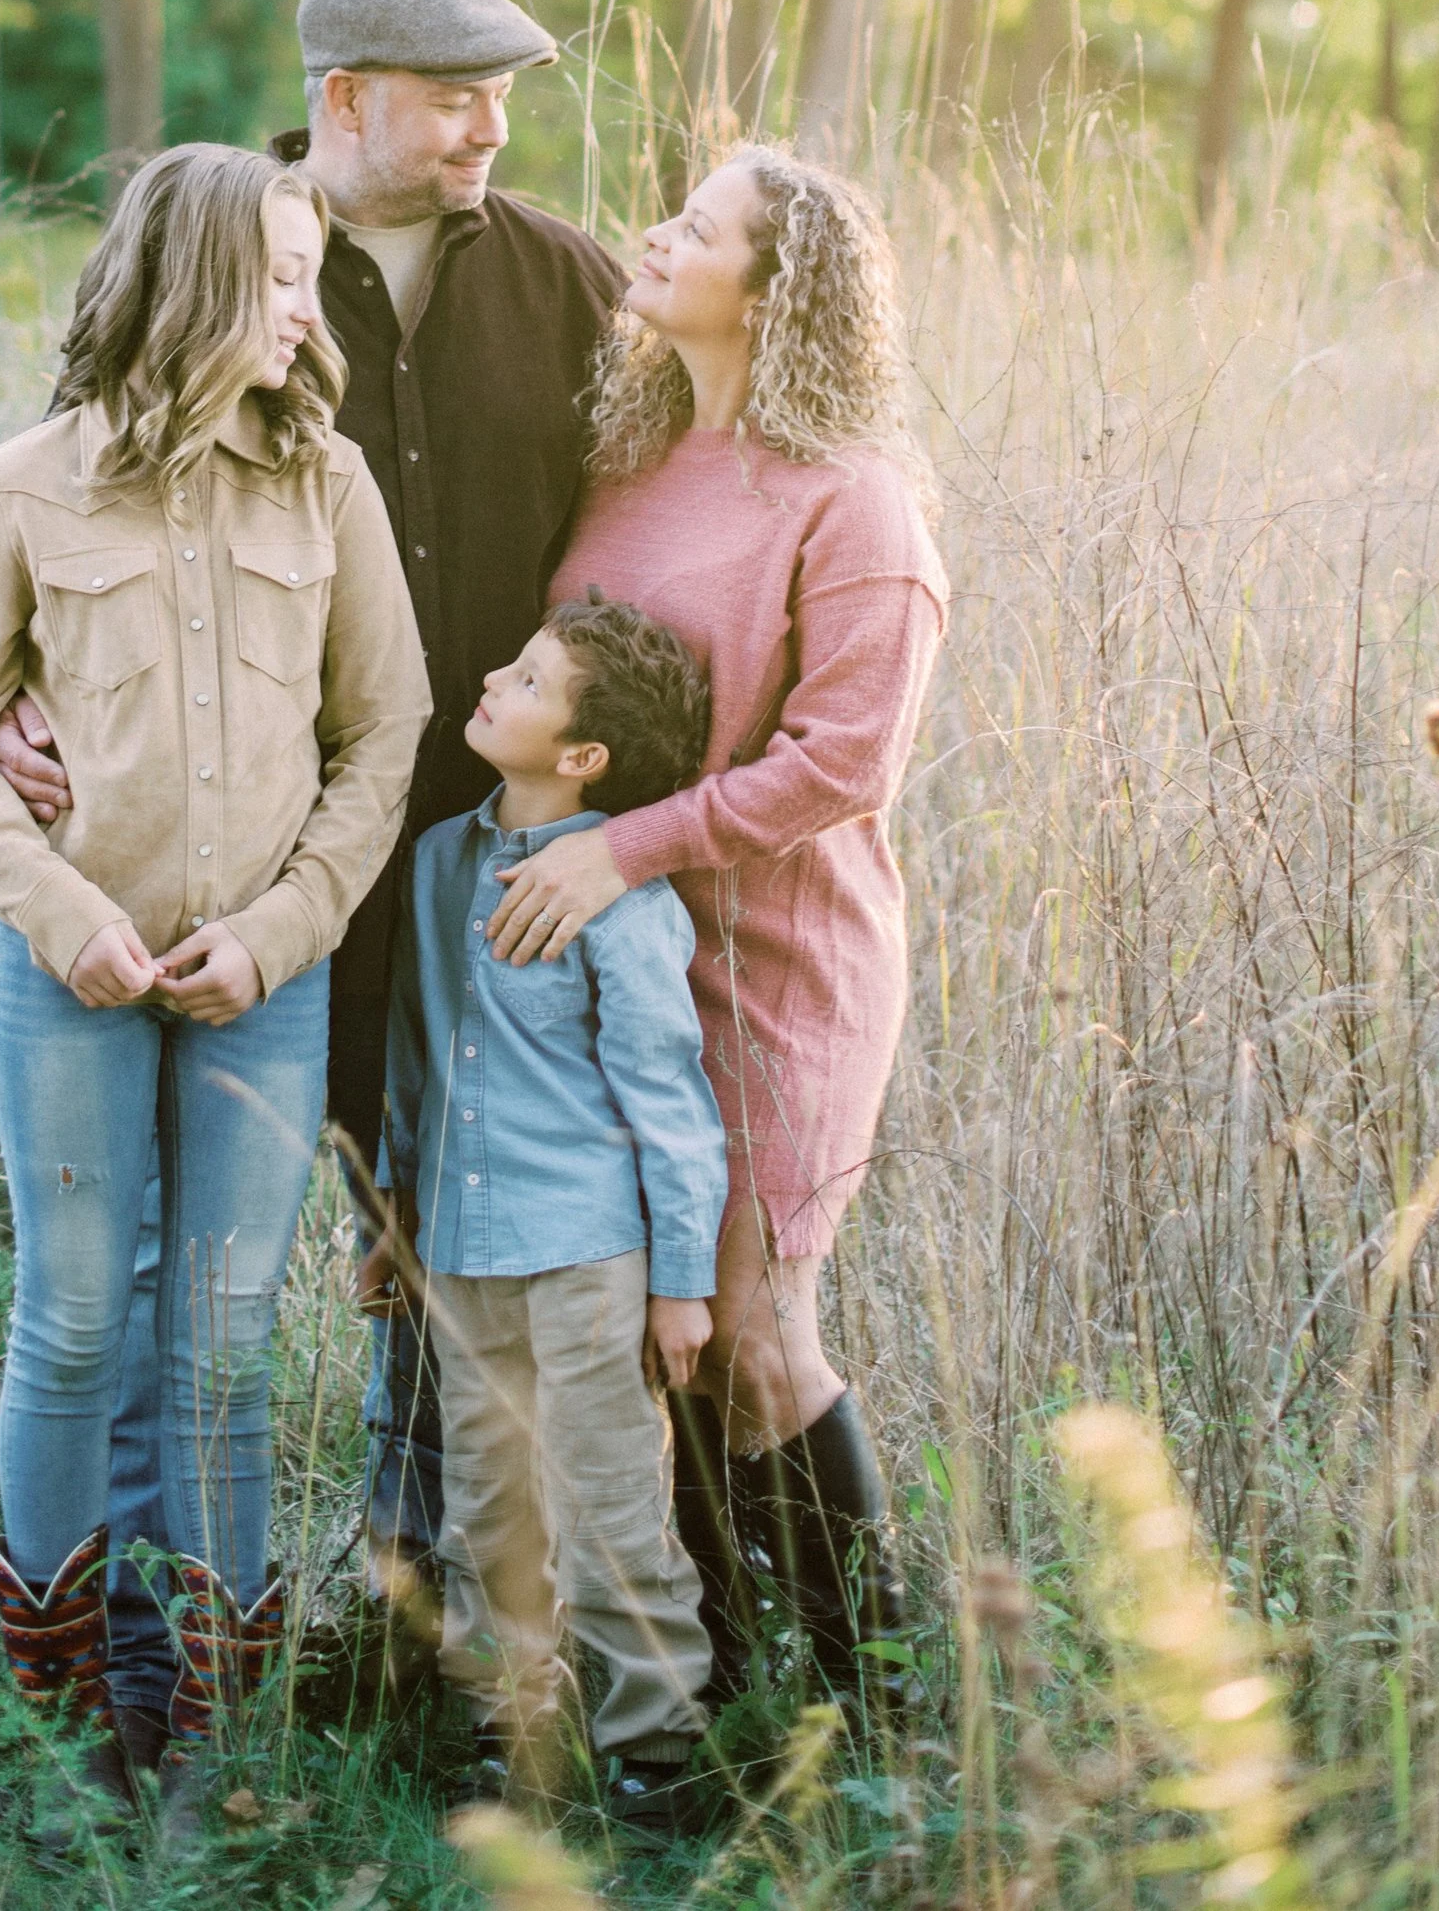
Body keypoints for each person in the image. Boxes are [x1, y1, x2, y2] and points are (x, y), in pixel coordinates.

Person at [0, 0, 624, 1736]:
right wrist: (28, 701)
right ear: (344, 99)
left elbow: (661, 516)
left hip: (480, 865)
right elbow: (75, 473)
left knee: (451, 1236)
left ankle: (422, 1636)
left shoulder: (574, 283)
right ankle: (123, 1672)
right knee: (168, 1286)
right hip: (240, 863)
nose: (491, 124)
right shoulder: (227, 247)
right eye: (450, 93)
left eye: (506, 90)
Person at [0, 144, 430, 1819]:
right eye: (280, 270)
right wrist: (66, 917)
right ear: (195, 282)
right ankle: (69, 1736)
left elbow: (385, 731)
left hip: (259, 986)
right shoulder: (27, 487)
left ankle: (205, 1737)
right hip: (71, 981)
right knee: (65, 1327)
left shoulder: (326, 484)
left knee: (220, 1345)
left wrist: (281, 929)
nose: (305, 301)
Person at [484, 146, 948, 1714]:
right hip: (610, 962)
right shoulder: (628, 454)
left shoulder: (856, 499)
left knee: (752, 1334)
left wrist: (628, 847)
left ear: (777, 291)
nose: (657, 236)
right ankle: (732, 1688)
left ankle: (876, 1702)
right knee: (646, 1334)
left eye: (699, 228)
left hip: (781, 965)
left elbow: (845, 762)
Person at [372, 595, 726, 1840]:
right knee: (486, 1503)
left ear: (583, 758)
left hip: (586, 1257)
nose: (492, 678)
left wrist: (682, 1281)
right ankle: (509, 1725)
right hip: (463, 1251)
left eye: (526, 681)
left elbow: (670, 1104)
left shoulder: (624, 904)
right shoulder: (436, 866)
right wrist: (392, 1209)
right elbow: (419, 1054)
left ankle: (656, 1749)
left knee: (614, 1504)